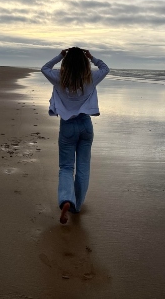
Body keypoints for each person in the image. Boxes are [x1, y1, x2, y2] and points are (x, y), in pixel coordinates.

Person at [41, 47, 109, 224]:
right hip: (86, 125)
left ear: (66, 62)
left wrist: (60, 55)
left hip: (68, 126)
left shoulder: (59, 79)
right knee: (83, 167)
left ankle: (66, 199)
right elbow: (105, 68)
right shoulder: (91, 78)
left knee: (66, 167)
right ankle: (76, 206)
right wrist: (92, 57)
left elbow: (44, 68)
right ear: (84, 62)